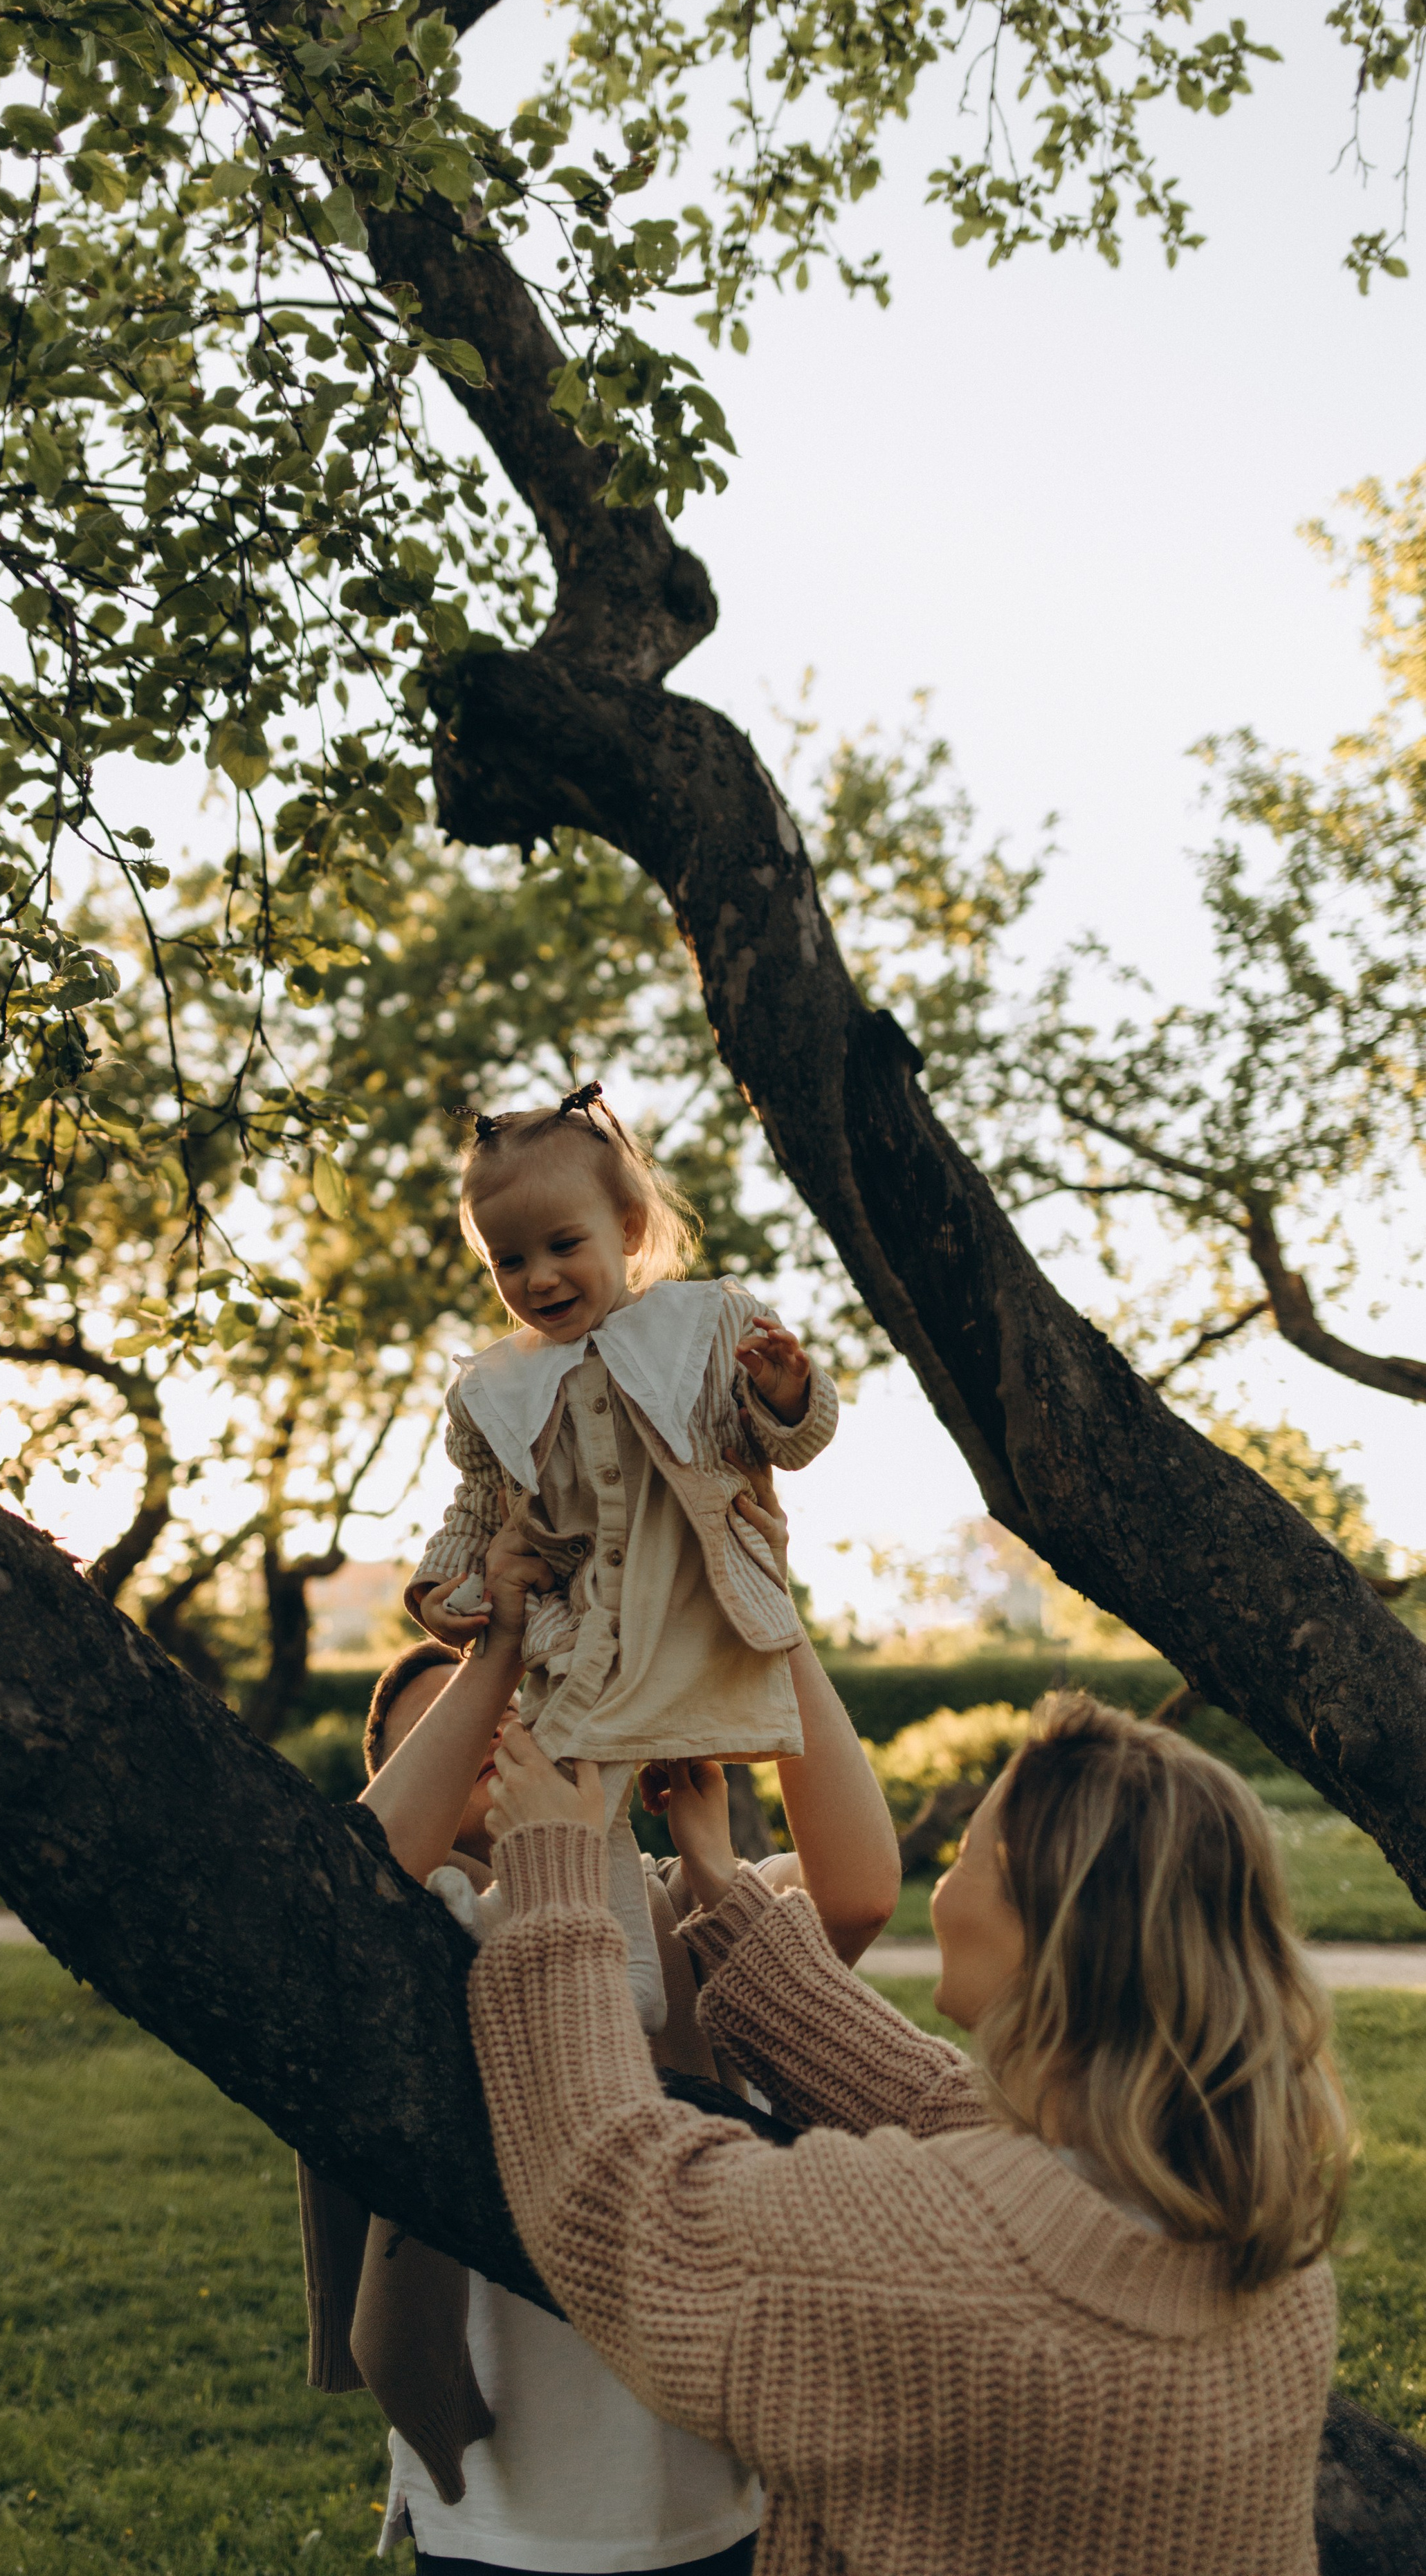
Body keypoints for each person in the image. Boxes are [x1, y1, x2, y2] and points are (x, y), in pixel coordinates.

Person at [469, 1690, 1353, 2576]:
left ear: (1046, 1924)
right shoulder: (1260, 2234)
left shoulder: (935, 2274)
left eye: (969, 1854)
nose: (946, 1883)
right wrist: (717, 1875)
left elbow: (621, 2201)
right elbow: (931, 2099)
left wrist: (555, 1879)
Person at [300, 1482, 900, 2576]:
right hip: (505, 2509)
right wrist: (496, 1651)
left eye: (521, 1707)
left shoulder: (690, 1912)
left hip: (716, 2494)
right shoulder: (422, 1936)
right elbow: (360, 1878)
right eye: (455, 1730)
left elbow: (857, 1895)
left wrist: (772, 1611)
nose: (497, 1732)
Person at [405, 1080, 841, 2028]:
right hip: (584, 1637)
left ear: (631, 1227)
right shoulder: (496, 1389)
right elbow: (478, 1510)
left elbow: (789, 1449)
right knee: (565, 1794)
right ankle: (626, 1980)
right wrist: (444, 1588)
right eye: (509, 1260)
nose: (540, 1278)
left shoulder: (709, 1327)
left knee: (609, 1781)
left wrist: (788, 1395)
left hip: (695, 1617)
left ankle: (517, 1927)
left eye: (565, 1245)